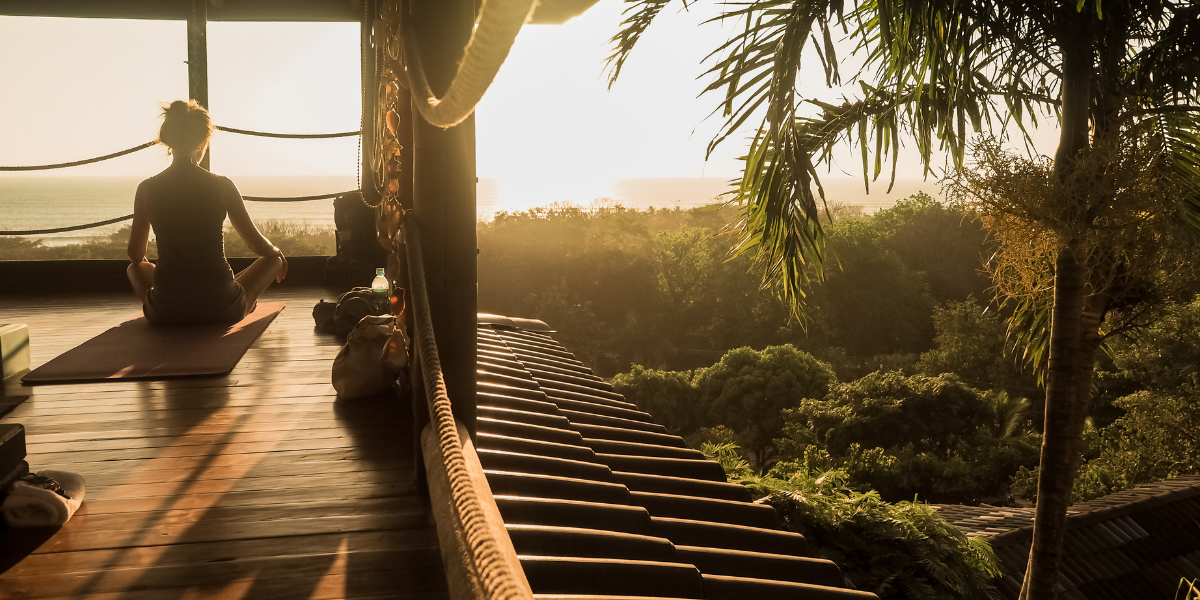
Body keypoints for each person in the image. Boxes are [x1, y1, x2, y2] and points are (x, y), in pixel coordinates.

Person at [126, 100, 287, 325]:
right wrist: (278, 253)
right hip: (222, 308)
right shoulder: (222, 185)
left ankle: (162, 301)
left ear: (168, 140)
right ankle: (242, 301)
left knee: (136, 268)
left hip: (165, 313)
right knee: (274, 261)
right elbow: (257, 246)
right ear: (203, 141)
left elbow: (135, 254)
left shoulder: (147, 188)